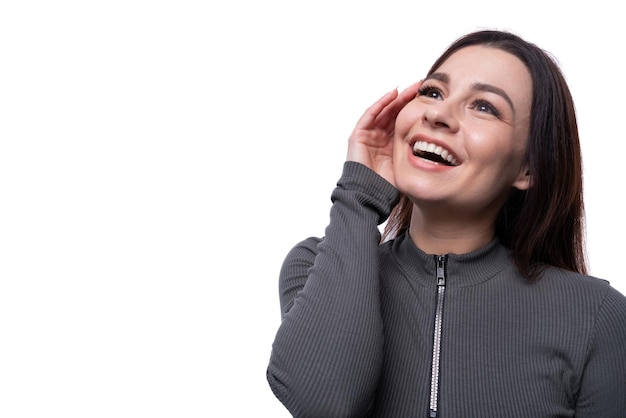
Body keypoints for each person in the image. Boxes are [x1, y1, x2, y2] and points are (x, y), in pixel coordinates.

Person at [266, 30, 626, 417]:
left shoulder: (596, 316)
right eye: (433, 92)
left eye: (484, 107)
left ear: (528, 167)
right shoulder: (315, 267)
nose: (437, 114)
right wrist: (358, 194)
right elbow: (326, 403)